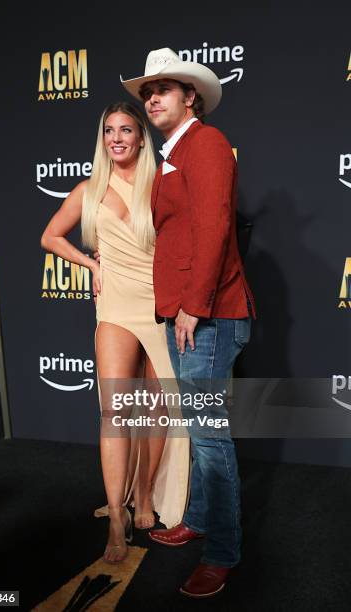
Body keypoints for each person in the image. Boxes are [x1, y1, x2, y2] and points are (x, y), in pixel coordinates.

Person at [121, 49, 256, 596]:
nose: (152, 98)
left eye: (164, 90)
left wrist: (194, 306)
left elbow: (215, 228)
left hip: (209, 315)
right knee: (202, 436)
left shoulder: (208, 143)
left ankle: (222, 552)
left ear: (190, 96)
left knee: (210, 438)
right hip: (184, 312)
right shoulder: (175, 152)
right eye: (147, 91)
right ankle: (199, 519)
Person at [41, 101, 189, 564]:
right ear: (102, 139)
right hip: (116, 306)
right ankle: (118, 522)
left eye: (127, 129)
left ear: (142, 137)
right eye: (109, 131)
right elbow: (50, 236)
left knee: (157, 408)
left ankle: (144, 496)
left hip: (160, 303)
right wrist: (90, 263)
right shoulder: (89, 189)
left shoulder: (160, 185)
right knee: (115, 411)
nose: (117, 138)